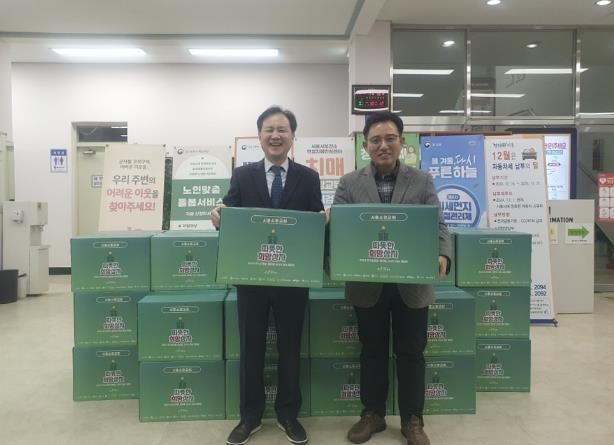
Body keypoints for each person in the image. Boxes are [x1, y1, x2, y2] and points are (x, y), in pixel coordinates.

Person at [332, 112, 451, 445]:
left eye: (389, 138)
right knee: (371, 351)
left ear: (402, 142)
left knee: (412, 352)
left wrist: (443, 254)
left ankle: (412, 419)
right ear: (365, 145)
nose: (382, 145)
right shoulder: (349, 183)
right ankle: (372, 414)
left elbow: (439, 224)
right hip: (366, 283)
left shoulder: (422, 180)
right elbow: (339, 228)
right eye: (375, 140)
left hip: (412, 283)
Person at [211, 106, 323, 445]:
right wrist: (219, 216)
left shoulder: (308, 177)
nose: (275, 135)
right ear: (259, 136)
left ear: (292, 136)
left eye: (282, 130)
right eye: (269, 130)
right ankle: (250, 417)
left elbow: (315, 220)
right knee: (251, 349)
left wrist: (322, 220)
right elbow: (230, 213)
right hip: (252, 278)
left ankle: (288, 415)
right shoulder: (243, 176)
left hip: (292, 280)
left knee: (290, 348)